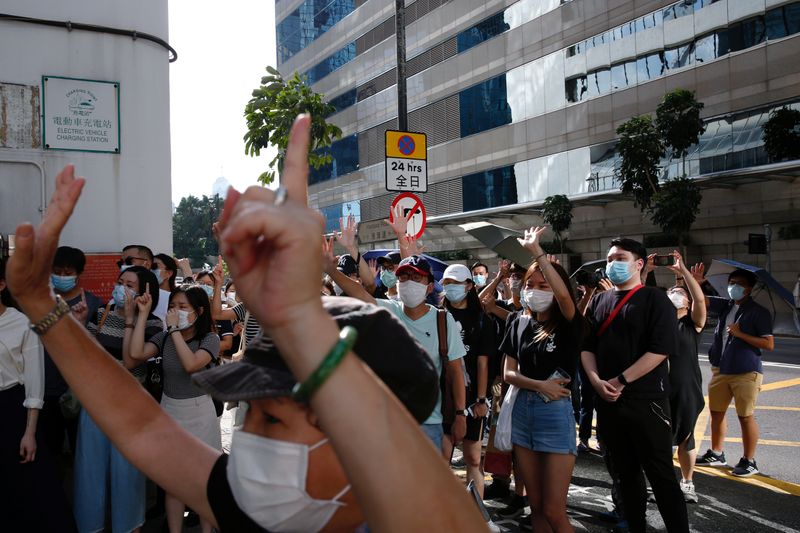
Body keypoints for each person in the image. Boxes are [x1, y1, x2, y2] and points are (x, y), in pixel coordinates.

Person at [7, 117, 489, 532]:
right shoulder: (254, 507)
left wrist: (303, 320)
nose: (248, 441)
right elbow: (139, 425)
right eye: (253, 414)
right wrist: (40, 306)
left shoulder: (415, 517)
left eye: (273, 418)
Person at [581, 237, 688, 533]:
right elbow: (586, 346)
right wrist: (595, 380)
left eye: (620, 257)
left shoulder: (655, 299)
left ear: (639, 264)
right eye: (610, 258)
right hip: (608, 402)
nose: (612, 263)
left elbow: (661, 349)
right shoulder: (599, 301)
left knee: (661, 476)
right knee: (624, 475)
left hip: (647, 402)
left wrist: (619, 380)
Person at [325, 251, 469, 454]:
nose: (408, 282)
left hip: (428, 422)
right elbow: (360, 294)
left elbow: (455, 371)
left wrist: (460, 414)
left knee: (424, 484)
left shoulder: (443, 321)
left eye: (416, 277)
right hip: (386, 420)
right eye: (403, 277)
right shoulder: (389, 310)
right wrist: (331, 270)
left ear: (429, 287)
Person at [501, 227, 584, 533]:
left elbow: (564, 295)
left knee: (553, 509)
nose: (534, 291)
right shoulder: (518, 322)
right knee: (535, 507)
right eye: (530, 285)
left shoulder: (569, 324)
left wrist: (537, 253)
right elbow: (508, 374)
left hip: (555, 415)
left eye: (543, 285)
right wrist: (539, 385)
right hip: (523, 413)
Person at [74, 266, 162, 533]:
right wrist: (80, 323)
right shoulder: (101, 314)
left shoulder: (154, 324)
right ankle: (91, 526)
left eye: (130, 284)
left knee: (127, 474)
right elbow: (86, 354)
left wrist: (131, 319)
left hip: (130, 406)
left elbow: (130, 360)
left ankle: (129, 527)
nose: (122, 288)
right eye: (120, 281)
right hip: (96, 402)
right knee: (90, 472)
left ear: (146, 291)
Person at [127, 285, 220, 533]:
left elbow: (191, 365)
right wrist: (143, 314)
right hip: (169, 409)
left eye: (182, 307)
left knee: (203, 481)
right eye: (172, 307)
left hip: (199, 411)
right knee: (173, 482)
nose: (174, 312)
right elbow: (135, 354)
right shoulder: (165, 336)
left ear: (199, 311)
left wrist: (175, 330)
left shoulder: (209, 338)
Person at [0, 258, 76, 532]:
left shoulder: (21, 323)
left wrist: (29, 431)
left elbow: (34, 381)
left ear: (2, 285)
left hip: (12, 409)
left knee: (27, 486)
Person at [695, 268, 773, 477]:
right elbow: (700, 301)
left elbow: (768, 343)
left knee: (745, 416)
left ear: (748, 288)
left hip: (746, 371)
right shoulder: (726, 305)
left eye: (738, 283)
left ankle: (749, 460)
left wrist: (741, 334)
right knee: (716, 412)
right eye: (731, 282)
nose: (733, 287)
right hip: (721, 369)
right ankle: (717, 453)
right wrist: (697, 283)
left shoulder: (758, 312)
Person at [649, 251, 706, 503]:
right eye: (672, 290)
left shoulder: (692, 324)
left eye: (680, 292)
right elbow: (642, 295)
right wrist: (647, 269)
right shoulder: (658, 322)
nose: (676, 293)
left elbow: (701, 302)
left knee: (686, 437)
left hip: (686, 389)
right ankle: (662, 482)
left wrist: (683, 273)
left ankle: (687, 483)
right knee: (657, 439)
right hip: (657, 389)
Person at [41, 246, 103, 465]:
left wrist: (83, 324)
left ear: (79, 273)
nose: (62, 277)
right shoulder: (41, 304)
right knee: (48, 453)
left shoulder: (95, 305)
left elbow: (98, 352)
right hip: (45, 388)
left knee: (83, 454)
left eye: (68, 272)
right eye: (57, 271)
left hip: (80, 391)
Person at [440, 263, 495, 496]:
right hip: (443, 397)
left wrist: (482, 399)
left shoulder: (482, 320)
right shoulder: (437, 315)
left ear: (469, 286)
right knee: (442, 458)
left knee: (473, 458)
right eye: (447, 283)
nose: (451, 288)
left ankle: (478, 513)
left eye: (457, 283)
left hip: (473, 397)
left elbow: (483, 363)